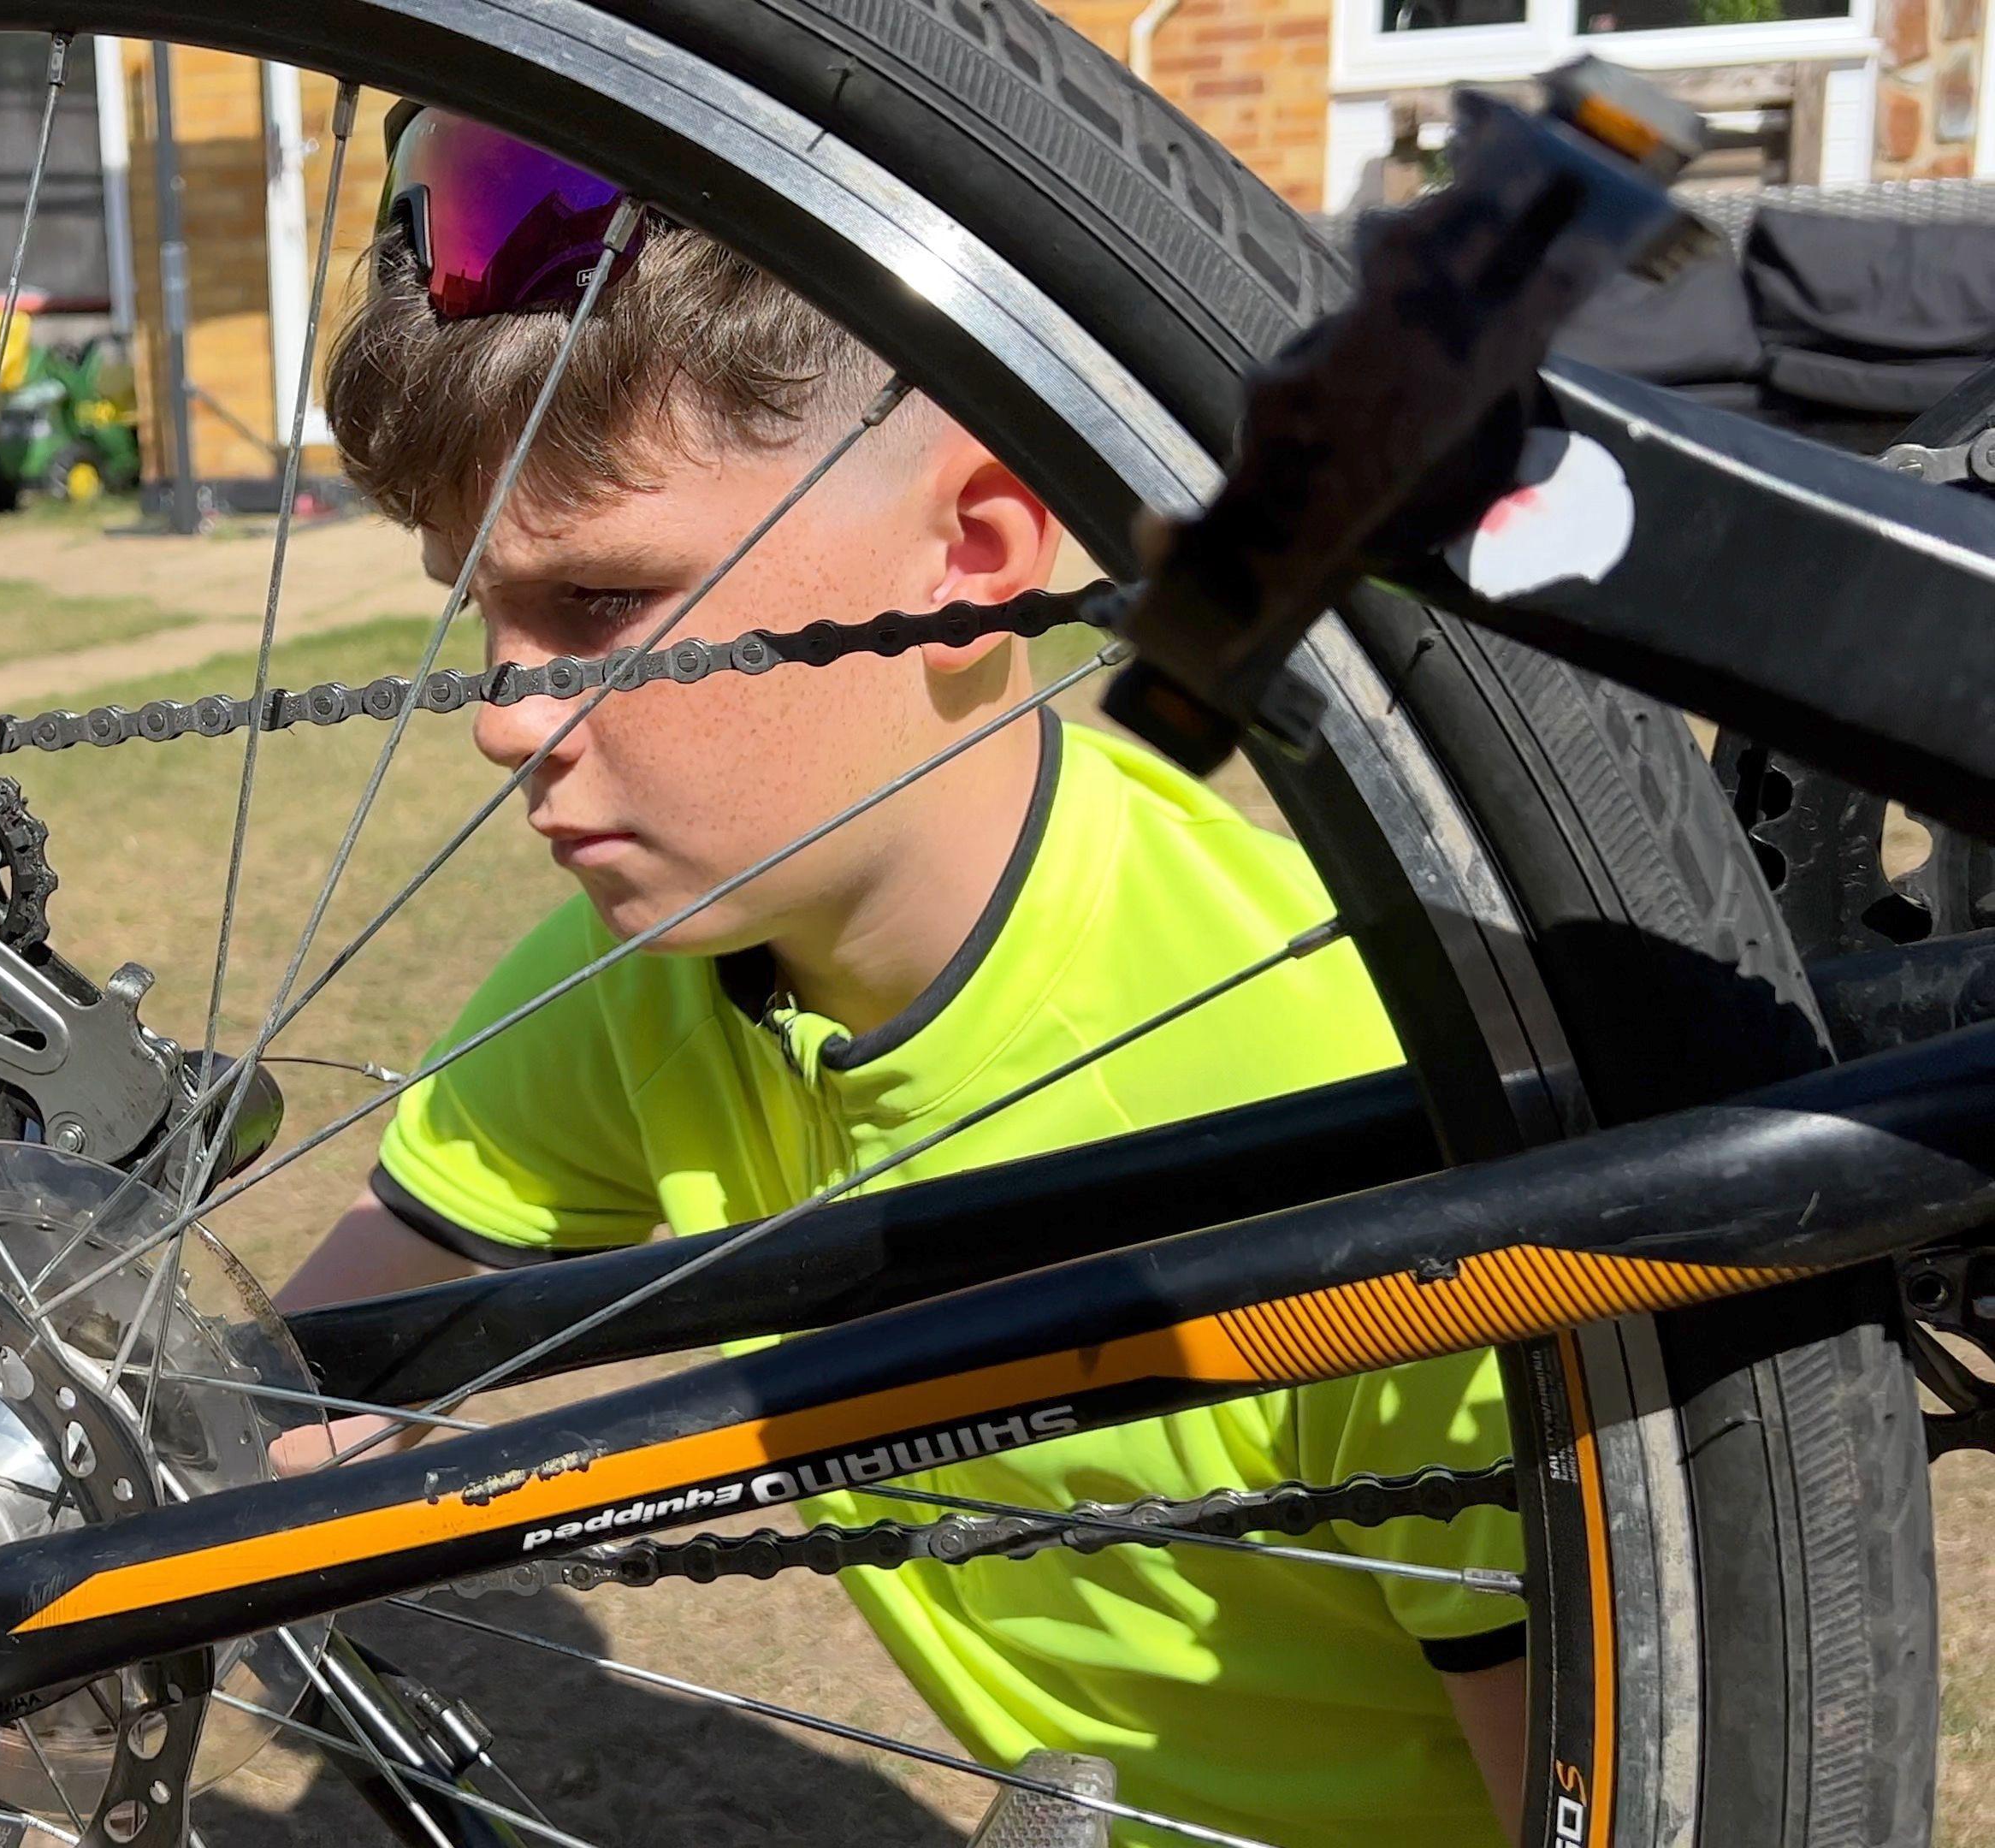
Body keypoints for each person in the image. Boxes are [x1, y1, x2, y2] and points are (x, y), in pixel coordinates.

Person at [272, 104, 1527, 1848]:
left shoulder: (1337, 1078)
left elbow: (1627, 1776)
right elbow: (299, 1404)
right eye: (477, 613)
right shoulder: (628, 987)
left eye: (607, 602)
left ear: (979, 554)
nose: (504, 716)